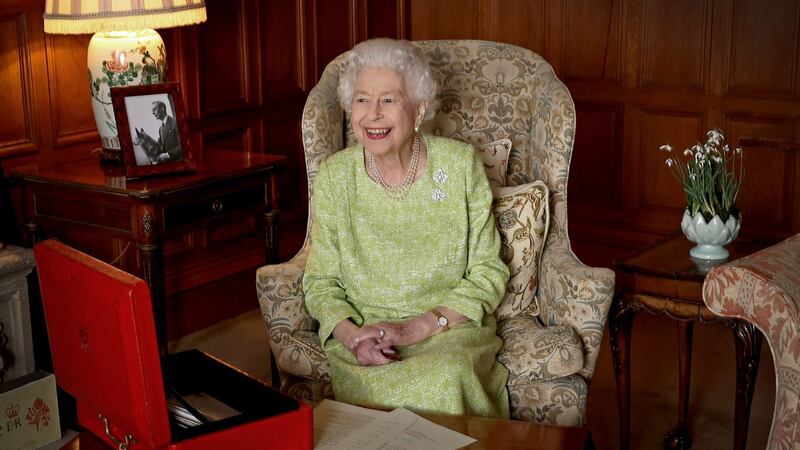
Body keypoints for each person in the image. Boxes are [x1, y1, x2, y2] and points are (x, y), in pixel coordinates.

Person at [303, 38, 510, 418]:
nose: (373, 115)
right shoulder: (335, 177)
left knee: (447, 377)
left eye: (389, 100)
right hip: (366, 337)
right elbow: (320, 283)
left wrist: (415, 329)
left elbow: (487, 272)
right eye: (362, 100)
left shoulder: (460, 166)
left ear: (418, 110)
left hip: (448, 330)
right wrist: (352, 338)